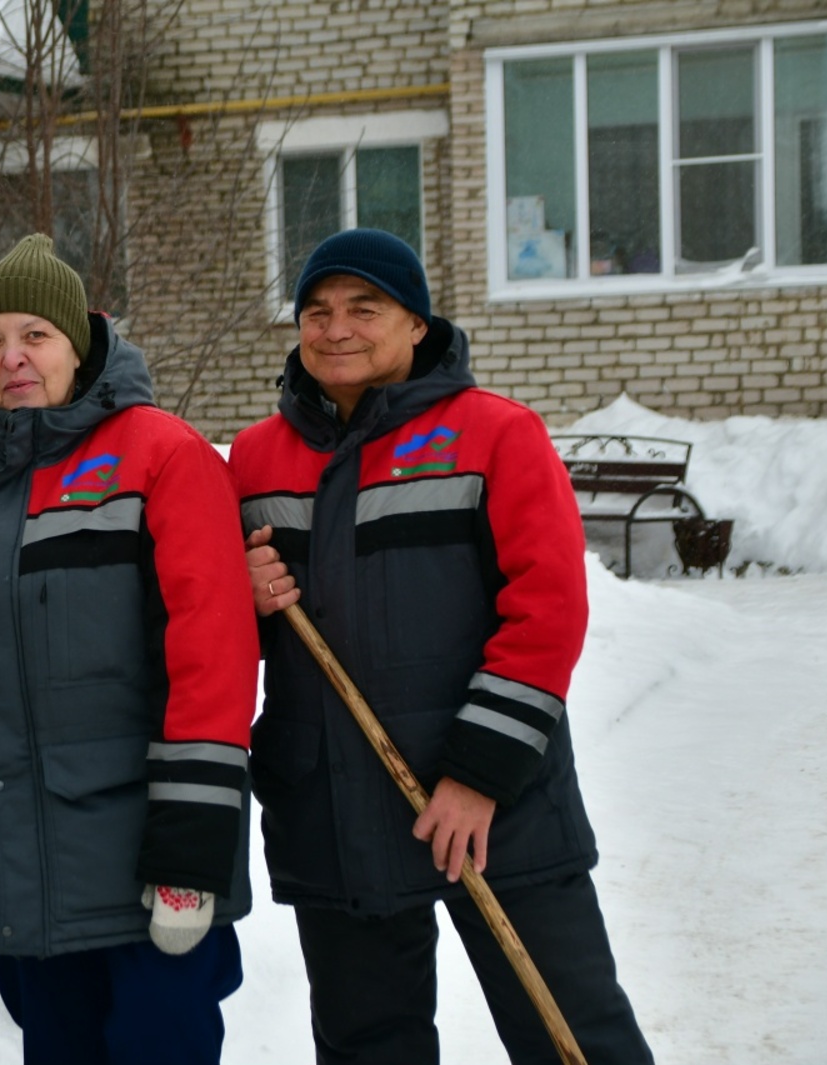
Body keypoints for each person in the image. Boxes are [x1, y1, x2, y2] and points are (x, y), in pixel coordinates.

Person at [227, 229, 652, 1064]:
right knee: (367, 1045)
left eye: (364, 308)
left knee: (571, 1030)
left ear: (416, 322)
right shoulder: (256, 456)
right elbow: (222, 625)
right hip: (335, 806)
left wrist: (478, 775)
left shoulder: (495, 434)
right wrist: (248, 598)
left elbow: (546, 612)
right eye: (317, 310)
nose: (336, 328)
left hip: (496, 808)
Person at [0, 234, 258, 1065]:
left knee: (160, 1047)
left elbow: (210, 651)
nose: (13, 358)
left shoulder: (162, 458)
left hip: (144, 859)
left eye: (35, 335)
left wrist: (193, 848)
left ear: (80, 342)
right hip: (6, 854)